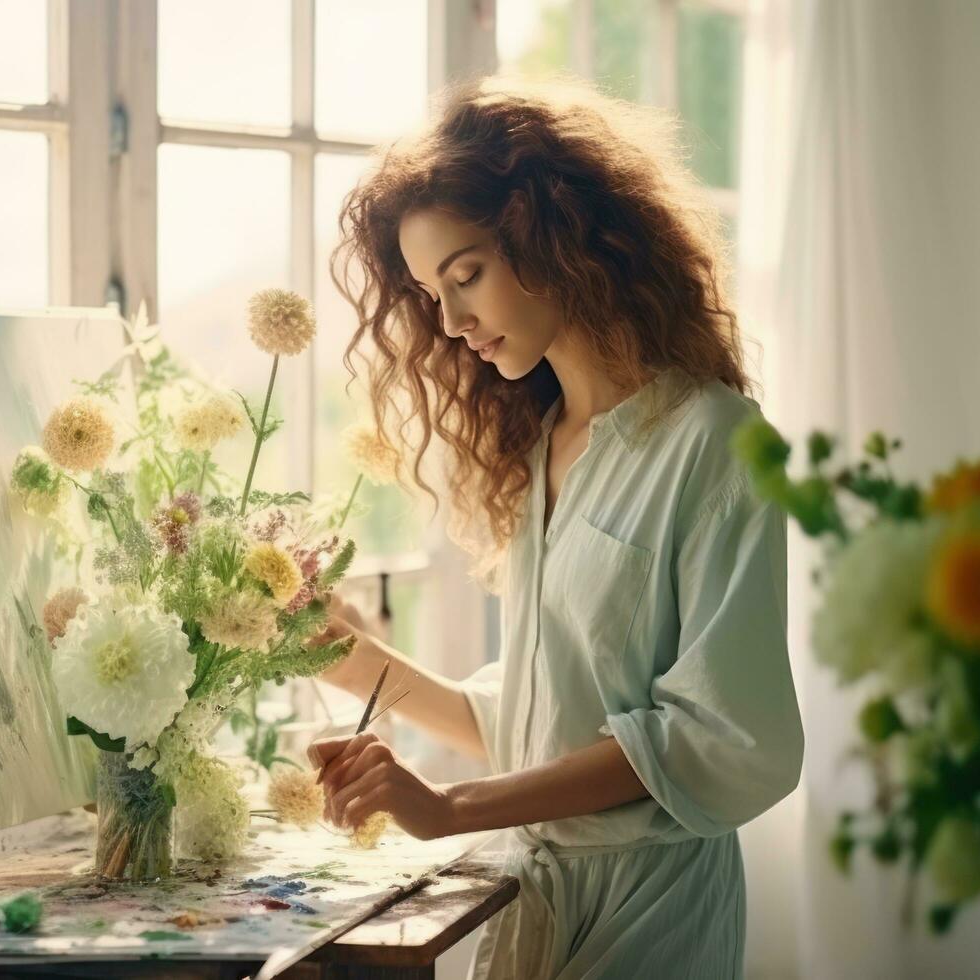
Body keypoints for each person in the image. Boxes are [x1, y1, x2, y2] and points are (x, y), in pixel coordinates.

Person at [308, 76, 804, 979]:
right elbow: (539, 726)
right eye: (431, 295)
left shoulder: (714, 443)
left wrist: (452, 809)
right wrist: (347, 659)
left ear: (556, 234)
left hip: (655, 908)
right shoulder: (541, 453)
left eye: (467, 275)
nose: (453, 323)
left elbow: (718, 736)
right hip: (534, 899)